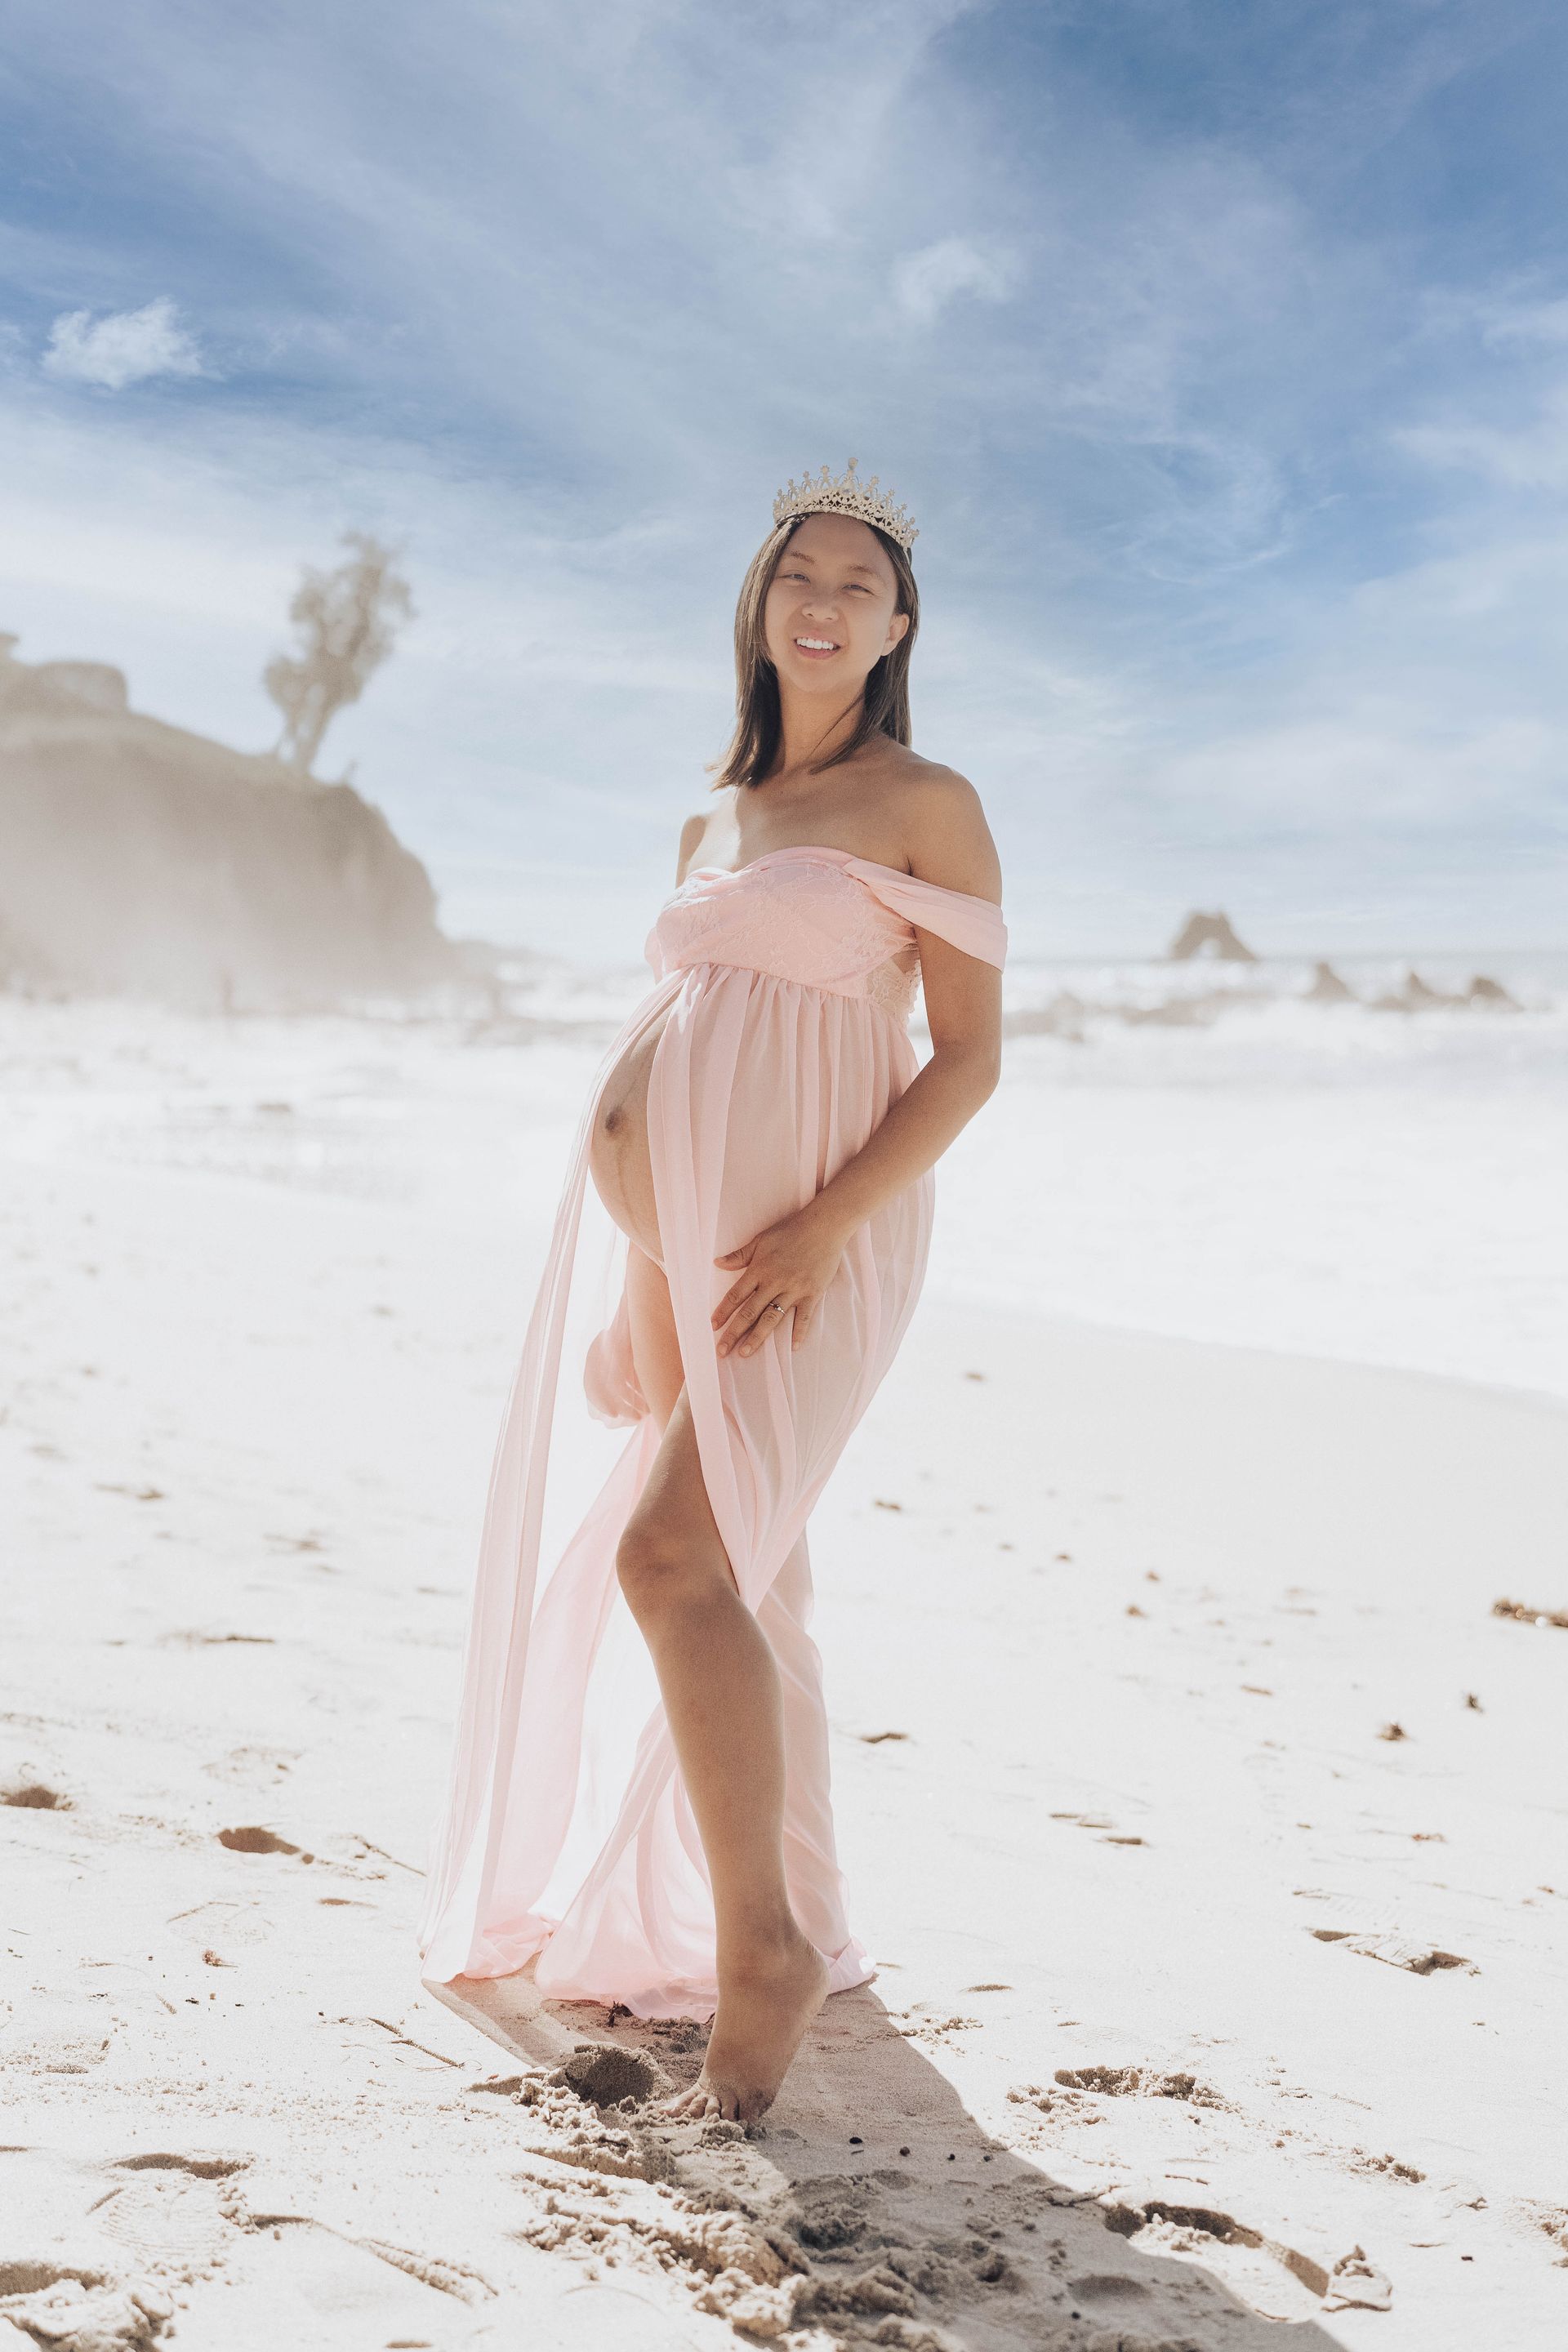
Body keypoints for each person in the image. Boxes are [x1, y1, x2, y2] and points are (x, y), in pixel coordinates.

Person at [417, 459, 1008, 2124]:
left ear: (898, 629)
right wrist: (639, 1284)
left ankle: (767, 1957)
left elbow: (965, 1064)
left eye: (859, 587)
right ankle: (792, 1911)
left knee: (671, 1559)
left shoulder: (925, 800)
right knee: (761, 1585)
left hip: (810, 1241)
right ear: (757, 604)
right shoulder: (712, 815)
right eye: (796, 576)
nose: (822, 605)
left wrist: (824, 1226)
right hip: (682, 1245)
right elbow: (682, 1059)